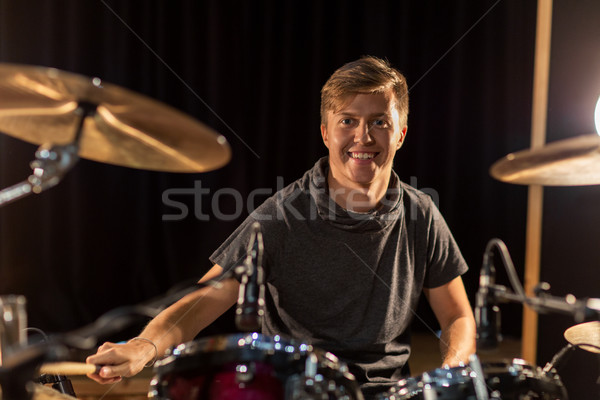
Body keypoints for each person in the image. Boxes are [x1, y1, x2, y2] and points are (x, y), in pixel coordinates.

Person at [86, 56, 476, 398]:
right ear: (326, 133)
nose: (363, 136)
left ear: (401, 134)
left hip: (386, 392)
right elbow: (208, 297)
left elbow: (457, 315)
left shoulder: (421, 212)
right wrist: (144, 346)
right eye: (347, 121)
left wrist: (451, 370)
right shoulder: (281, 214)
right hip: (300, 389)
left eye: (379, 122)